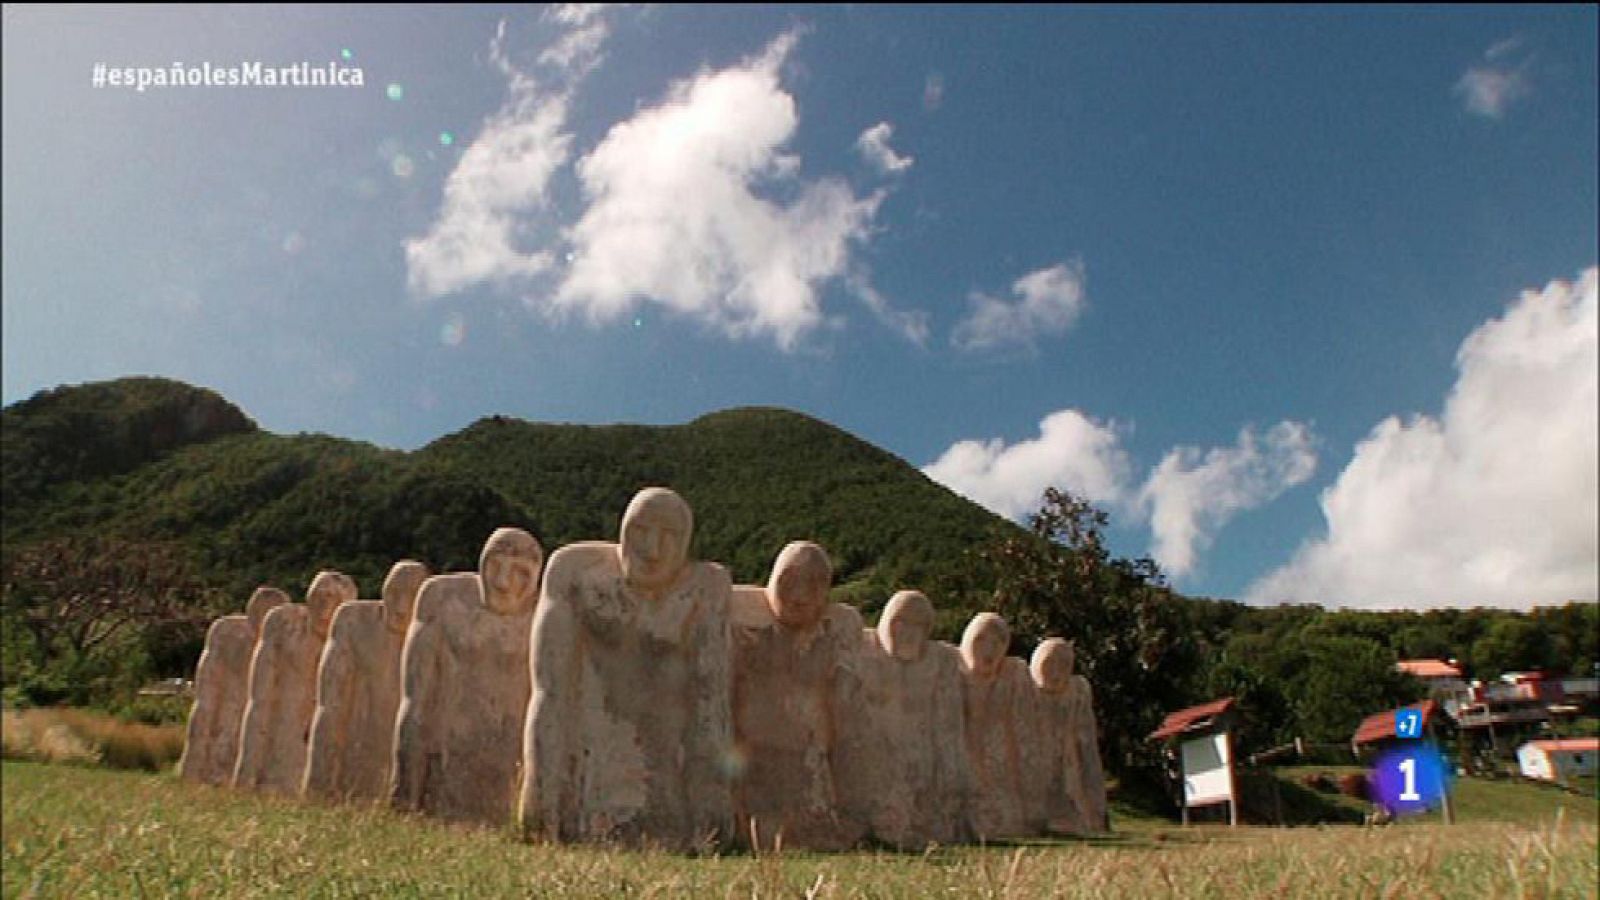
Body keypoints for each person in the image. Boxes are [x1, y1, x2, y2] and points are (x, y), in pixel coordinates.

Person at [522, 487, 734, 850]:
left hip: (666, 793)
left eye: (669, 536)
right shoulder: (575, 573)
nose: (652, 549)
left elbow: (710, 706)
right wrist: (541, 802)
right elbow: (550, 694)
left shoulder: (705, 590)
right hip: (589, 778)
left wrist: (711, 818)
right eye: (640, 530)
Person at [390, 529, 541, 826]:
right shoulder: (442, 599)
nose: (503, 582)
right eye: (495, 566)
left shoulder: (545, 614)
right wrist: (405, 793)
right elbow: (416, 702)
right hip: (446, 763)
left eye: (520, 573)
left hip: (511, 766)